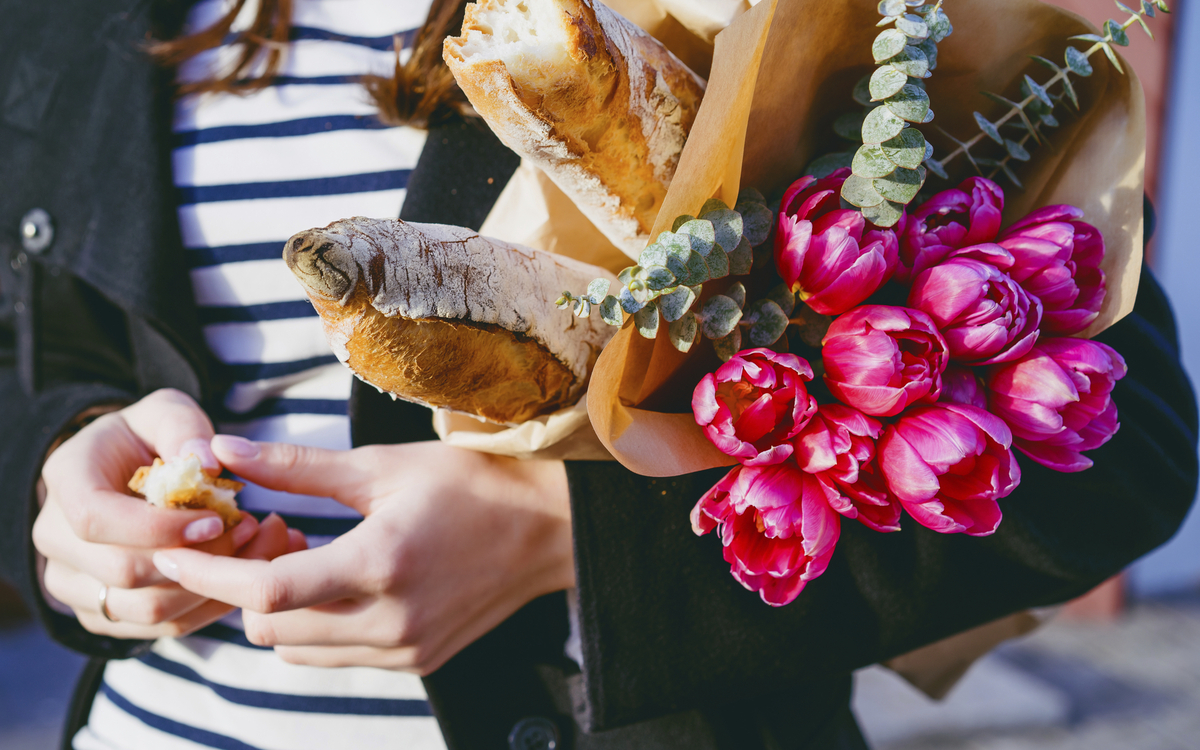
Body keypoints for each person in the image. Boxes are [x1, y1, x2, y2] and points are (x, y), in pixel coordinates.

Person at [1, 1, 1196, 749]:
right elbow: (38, 369)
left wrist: (560, 527)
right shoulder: (69, 22)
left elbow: (1123, 446)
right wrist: (71, 488)